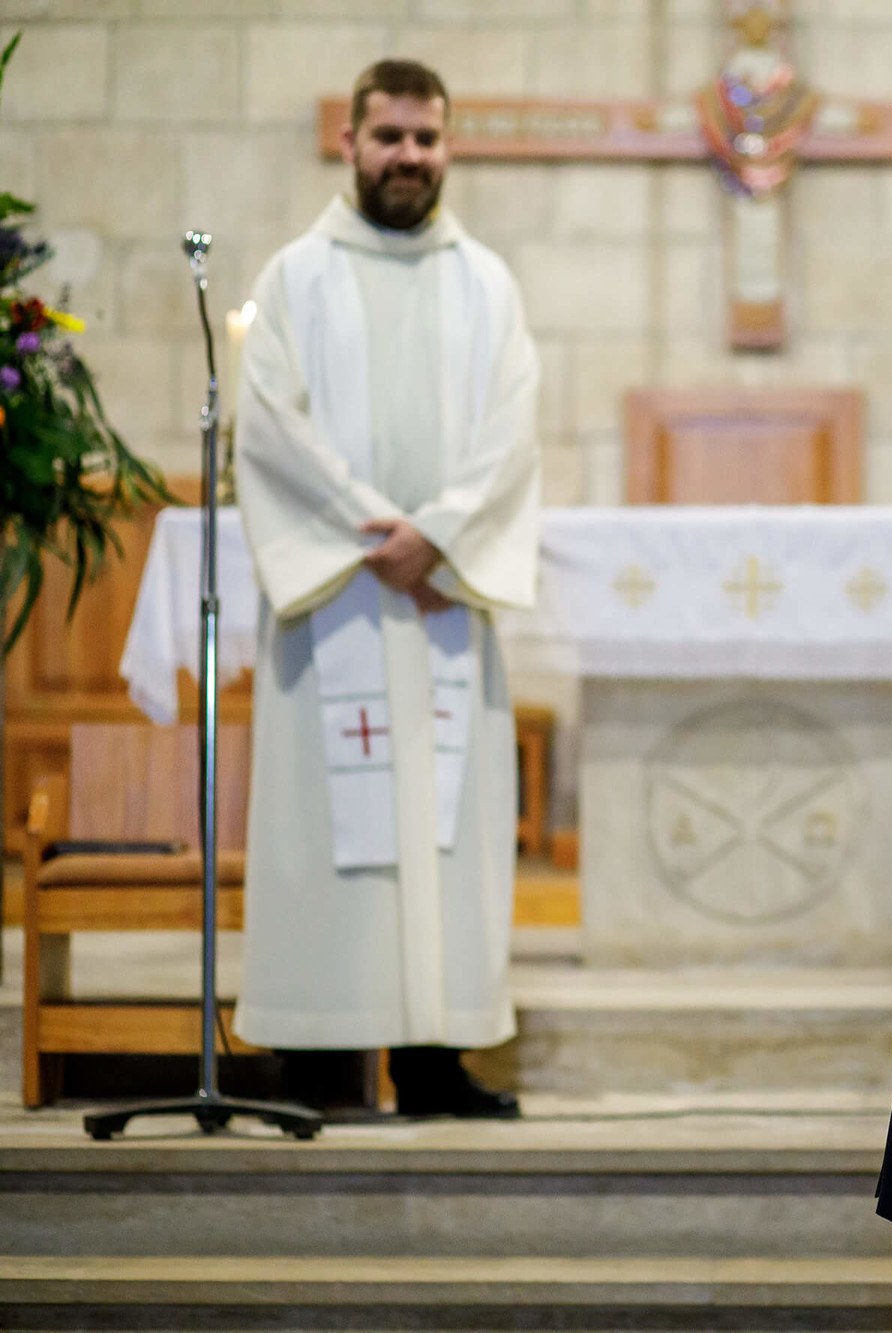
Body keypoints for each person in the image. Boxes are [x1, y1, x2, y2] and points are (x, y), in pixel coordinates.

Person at [230, 59, 540, 1119]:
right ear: (350, 143)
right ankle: (317, 1060)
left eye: (426, 138)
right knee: (327, 832)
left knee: (445, 837)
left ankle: (434, 1059)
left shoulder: (485, 283)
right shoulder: (294, 280)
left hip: (439, 597)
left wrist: (441, 536)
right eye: (389, 136)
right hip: (343, 597)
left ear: (448, 146)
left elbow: (512, 433)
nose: (409, 156)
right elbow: (268, 426)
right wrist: (380, 531)